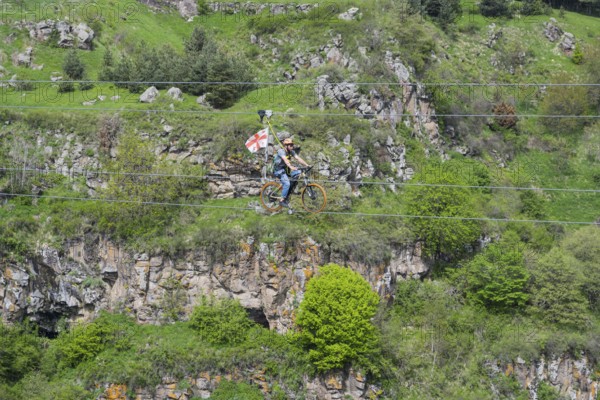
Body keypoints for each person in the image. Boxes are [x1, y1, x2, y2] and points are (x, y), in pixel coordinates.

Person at [273, 138, 309, 207]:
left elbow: (298, 158)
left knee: (298, 172)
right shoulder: (281, 151)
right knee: (286, 183)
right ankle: (282, 200)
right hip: (278, 170)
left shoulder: (291, 152)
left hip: (285, 170)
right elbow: (285, 159)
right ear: (286, 146)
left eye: (292, 145)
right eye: (290, 145)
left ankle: (289, 189)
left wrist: (307, 165)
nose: (292, 146)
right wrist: (291, 167)